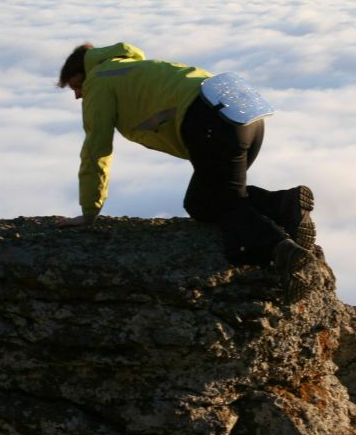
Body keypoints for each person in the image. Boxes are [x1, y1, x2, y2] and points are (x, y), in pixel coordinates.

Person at [55, 41, 317, 301]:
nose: (78, 95)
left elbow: (96, 150)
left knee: (223, 202)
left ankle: (280, 250)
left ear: (86, 72)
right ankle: (284, 204)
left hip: (211, 121)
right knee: (200, 202)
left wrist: (89, 211)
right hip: (245, 115)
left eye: (77, 85)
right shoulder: (131, 68)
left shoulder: (99, 81)